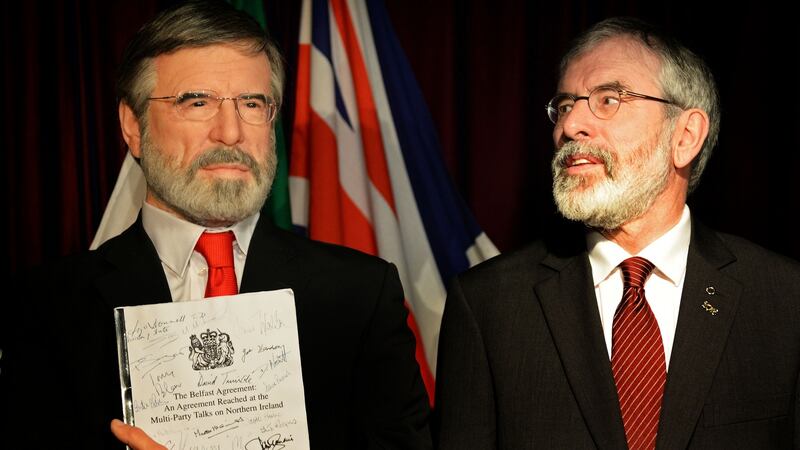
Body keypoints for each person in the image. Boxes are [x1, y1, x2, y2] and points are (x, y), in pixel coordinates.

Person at [0, 1, 431, 449]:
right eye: (197, 101)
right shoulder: (48, 305)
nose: (230, 132)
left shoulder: (361, 293)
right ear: (133, 125)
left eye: (251, 102)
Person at [433, 16, 800, 449]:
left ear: (685, 135)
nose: (570, 126)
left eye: (608, 99)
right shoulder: (488, 304)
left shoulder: (784, 298)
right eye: (566, 105)